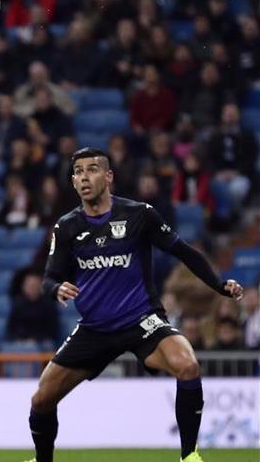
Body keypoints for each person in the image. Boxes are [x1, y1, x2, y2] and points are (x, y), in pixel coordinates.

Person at [24, 148, 244, 462]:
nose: (85, 176)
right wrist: (57, 288)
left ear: (108, 176)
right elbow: (48, 279)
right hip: (94, 330)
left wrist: (219, 285)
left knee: (188, 365)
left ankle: (189, 456)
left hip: (141, 321)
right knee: (41, 399)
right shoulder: (67, 227)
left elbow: (183, 251)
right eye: (78, 172)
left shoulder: (139, 214)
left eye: (93, 169)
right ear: (73, 181)